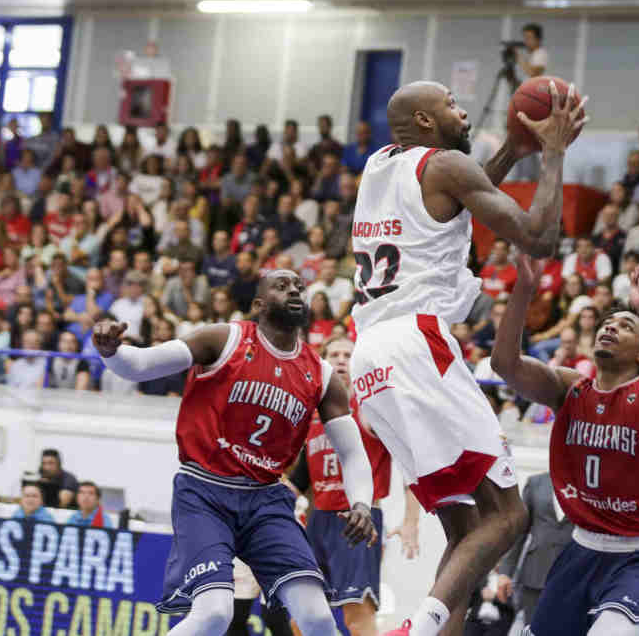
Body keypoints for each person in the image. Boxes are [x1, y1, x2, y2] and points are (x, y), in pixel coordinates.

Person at [347, 79, 585, 636]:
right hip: (416, 346)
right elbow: (538, 237)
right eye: (451, 103)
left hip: (372, 359)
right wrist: (551, 153)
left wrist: (510, 152)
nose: (463, 111)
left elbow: (452, 207)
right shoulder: (446, 167)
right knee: (507, 516)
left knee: (465, 530)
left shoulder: (381, 167)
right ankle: (417, 627)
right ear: (426, 122)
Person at [94, 269, 376, 636]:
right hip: (205, 492)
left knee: (319, 619)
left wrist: (361, 504)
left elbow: (352, 454)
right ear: (258, 305)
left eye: (299, 287)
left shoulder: (321, 375)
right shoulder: (223, 339)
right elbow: (140, 365)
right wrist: (111, 352)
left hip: (266, 500)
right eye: (282, 286)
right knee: (213, 615)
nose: (294, 291)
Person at [492, 258, 639, 636]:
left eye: (625, 325)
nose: (610, 326)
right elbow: (505, 364)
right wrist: (524, 290)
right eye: (607, 323)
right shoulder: (569, 388)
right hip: (582, 549)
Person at [293, 337, 420, 636]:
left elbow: (411, 463)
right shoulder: (312, 412)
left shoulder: (370, 409)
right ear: (322, 362)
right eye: (333, 354)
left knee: (357, 617)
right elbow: (300, 478)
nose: (340, 360)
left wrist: (411, 520)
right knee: (302, 617)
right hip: (318, 518)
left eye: (347, 355)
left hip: (358, 521)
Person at [496, 471, 575, 629]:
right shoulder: (535, 483)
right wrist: (505, 572)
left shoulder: (588, 487)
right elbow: (520, 533)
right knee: (533, 628)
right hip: (535, 573)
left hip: (572, 572)